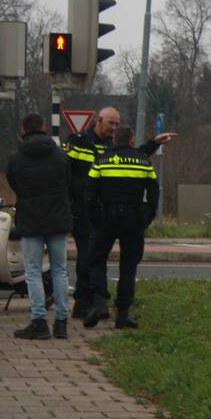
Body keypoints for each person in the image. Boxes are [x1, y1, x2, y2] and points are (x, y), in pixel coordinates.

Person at [66, 107, 175, 319]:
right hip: (84, 210)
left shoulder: (112, 144)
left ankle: (97, 304)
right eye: (111, 123)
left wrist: (154, 143)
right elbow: (66, 171)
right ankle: (84, 301)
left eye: (117, 124)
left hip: (104, 213)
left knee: (95, 257)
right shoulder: (79, 141)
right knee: (87, 257)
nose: (113, 127)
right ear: (99, 121)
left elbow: (130, 156)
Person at [83, 125, 159, 329]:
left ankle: (100, 302)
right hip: (133, 220)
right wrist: (146, 218)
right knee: (128, 266)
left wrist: (94, 220)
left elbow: (89, 194)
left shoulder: (102, 160)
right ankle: (123, 314)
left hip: (106, 218)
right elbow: (153, 195)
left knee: (97, 260)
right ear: (132, 140)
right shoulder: (144, 162)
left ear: (114, 140)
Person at [5, 113, 72, 340]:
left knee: (32, 271)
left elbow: (13, 183)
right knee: (59, 270)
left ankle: (39, 322)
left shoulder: (17, 157)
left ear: (23, 130)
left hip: (31, 219)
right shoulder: (60, 155)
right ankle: (62, 323)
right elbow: (68, 180)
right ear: (43, 128)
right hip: (58, 219)